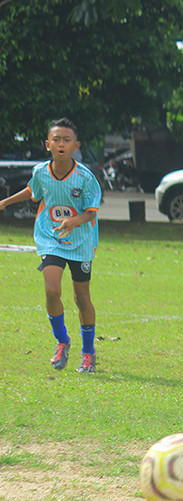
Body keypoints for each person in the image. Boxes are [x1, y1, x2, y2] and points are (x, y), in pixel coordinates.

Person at [0, 117, 102, 373]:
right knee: (52, 291)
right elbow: (32, 191)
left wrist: (74, 221)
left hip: (81, 241)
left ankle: (88, 352)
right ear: (48, 144)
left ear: (75, 145)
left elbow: (91, 213)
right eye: (56, 139)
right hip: (51, 238)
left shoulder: (85, 178)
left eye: (66, 140)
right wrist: (4, 202)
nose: (61, 144)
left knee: (81, 298)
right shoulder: (41, 172)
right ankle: (62, 341)